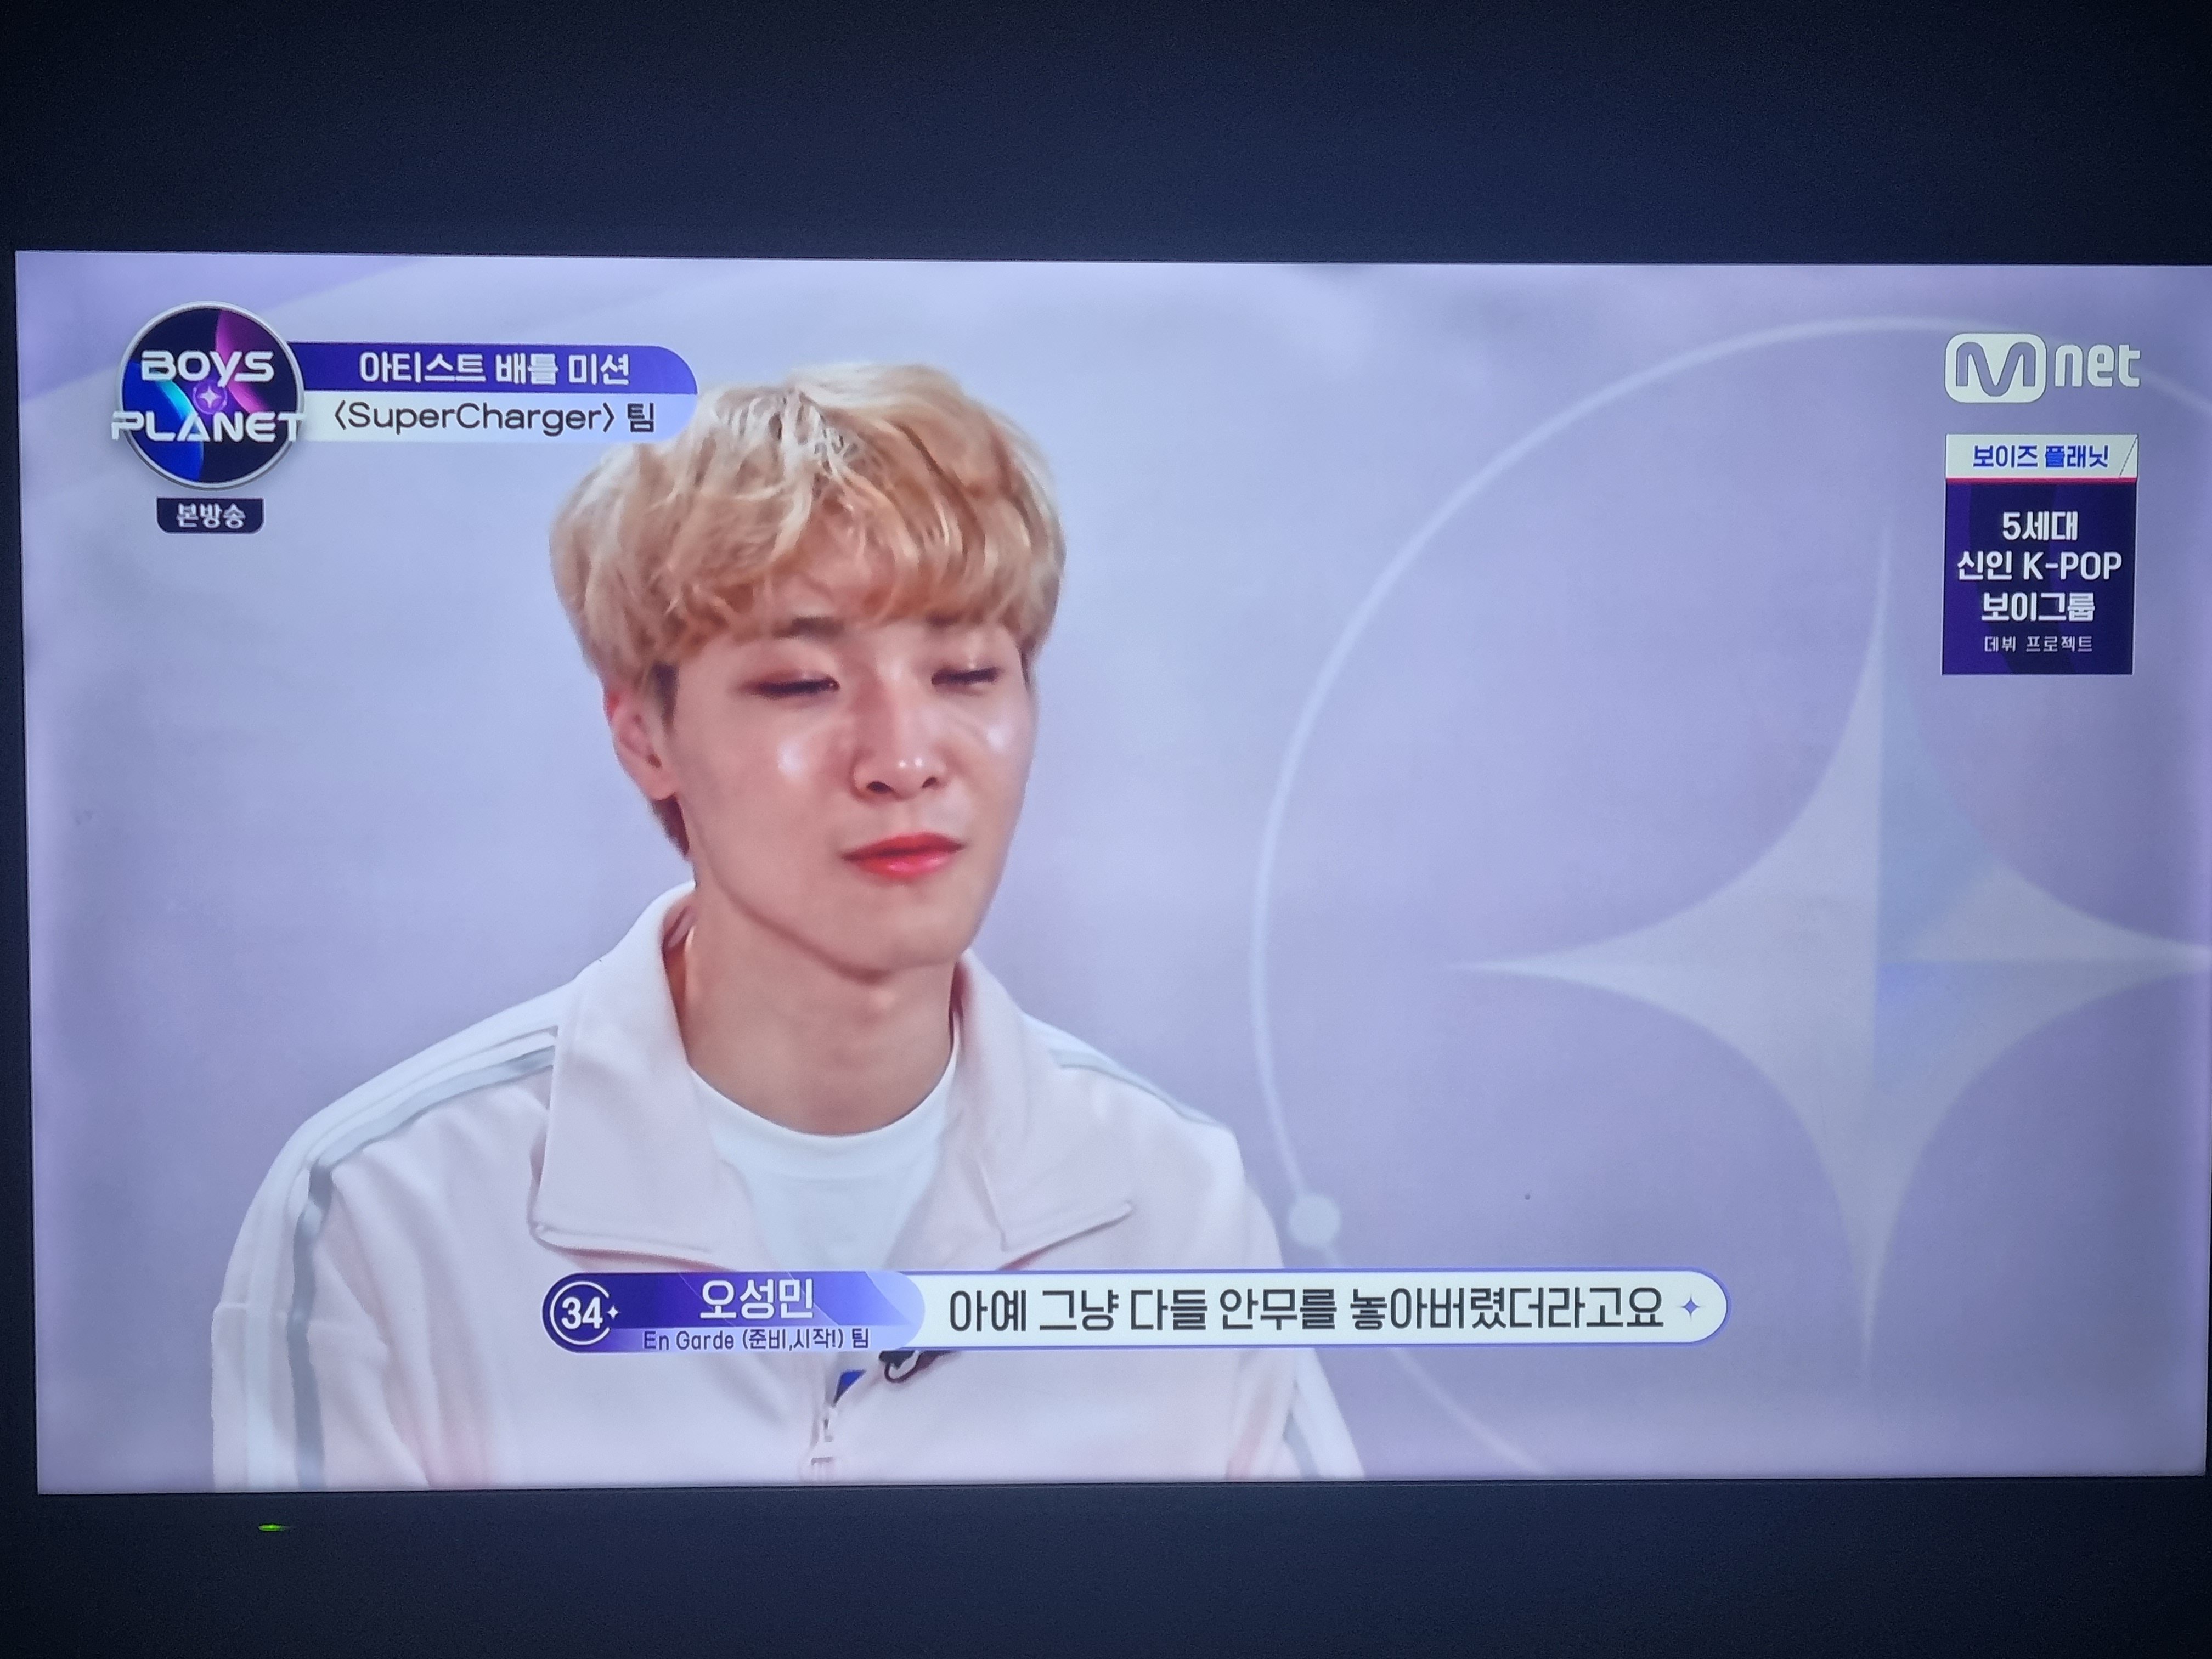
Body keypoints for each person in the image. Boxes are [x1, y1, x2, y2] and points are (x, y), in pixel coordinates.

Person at [213, 364, 1360, 1488]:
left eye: (966, 673)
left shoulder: (1177, 1197)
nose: (903, 760)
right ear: (643, 735)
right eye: (803, 684)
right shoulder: (383, 1209)